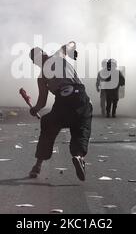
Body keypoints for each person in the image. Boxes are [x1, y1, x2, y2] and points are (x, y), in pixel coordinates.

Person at [28, 42, 93, 181]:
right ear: (44, 53)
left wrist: (35, 109)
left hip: (62, 100)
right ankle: (78, 156)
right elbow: (70, 43)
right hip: (79, 95)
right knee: (82, 125)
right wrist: (72, 50)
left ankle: (37, 166)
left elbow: (42, 102)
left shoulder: (41, 77)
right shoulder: (58, 55)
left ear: (36, 61)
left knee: (48, 124)